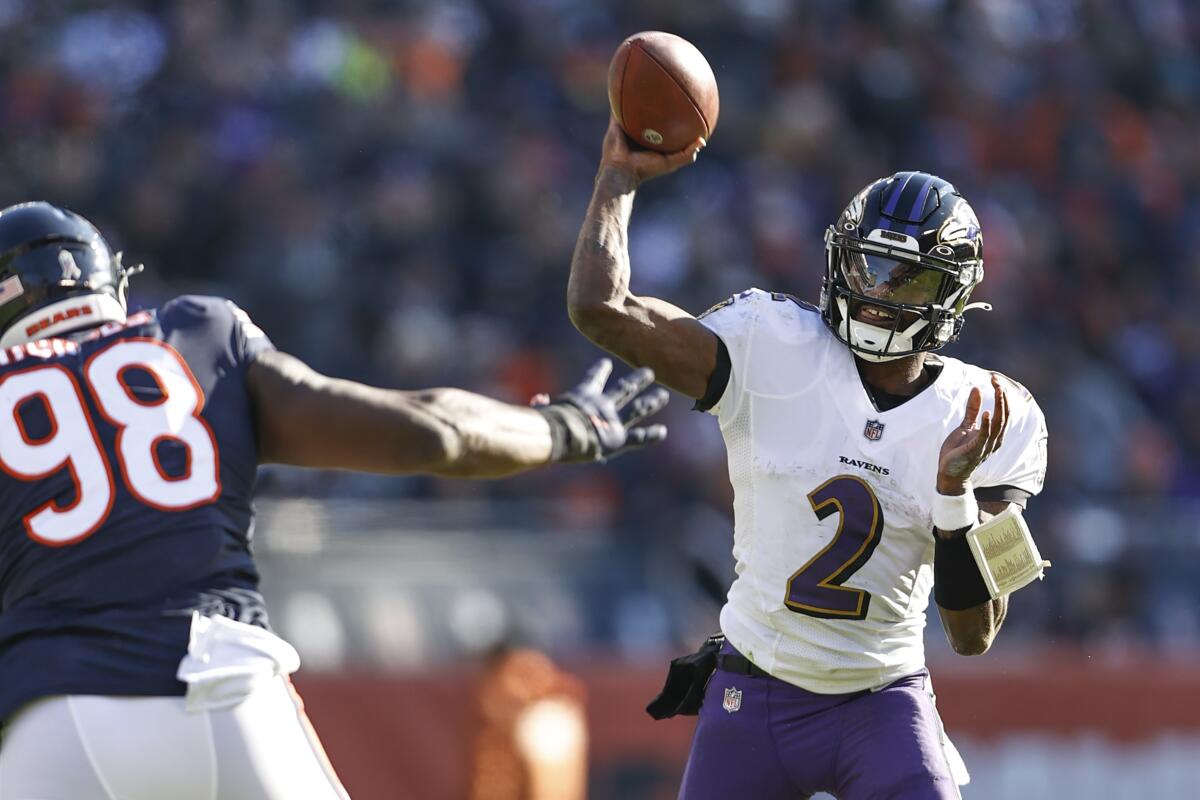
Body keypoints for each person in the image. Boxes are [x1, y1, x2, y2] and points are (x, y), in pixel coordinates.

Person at [0, 201, 668, 800]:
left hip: (51, 719)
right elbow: (432, 431)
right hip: (223, 685)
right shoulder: (196, 335)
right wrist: (565, 428)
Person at [567, 120, 1049, 799]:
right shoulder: (770, 343)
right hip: (752, 694)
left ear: (950, 296)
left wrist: (953, 496)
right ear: (838, 261)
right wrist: (616, 177)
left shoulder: (995, 415)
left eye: (905, 281)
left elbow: (976, 636)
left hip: (882, 704)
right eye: (868, 267)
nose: (879, 293)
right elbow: (601, 308)